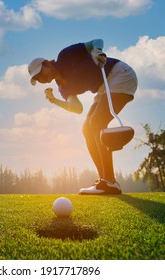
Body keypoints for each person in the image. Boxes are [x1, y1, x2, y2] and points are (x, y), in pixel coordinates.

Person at [28, 39, 138, 195]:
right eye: (37, 79)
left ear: (47, 64)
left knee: (97, 122)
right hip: (103, 88)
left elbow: (97, 41)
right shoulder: (62, 88)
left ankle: (109, 182)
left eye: (39, 74)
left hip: (120, 74)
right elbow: (77, 108)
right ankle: (105, 181)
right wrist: (55, 101)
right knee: (87, 129)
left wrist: (96, 51)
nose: (40, 80)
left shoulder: (65, 55)